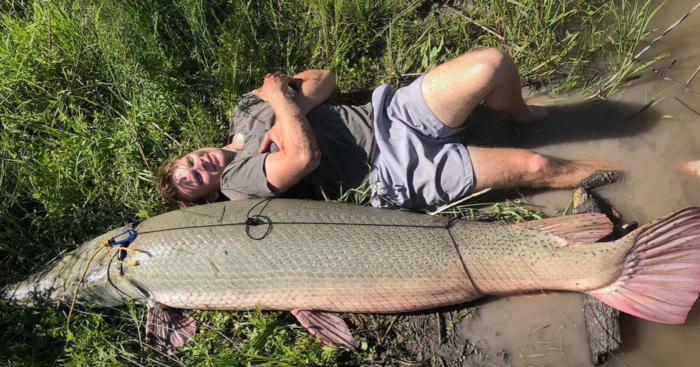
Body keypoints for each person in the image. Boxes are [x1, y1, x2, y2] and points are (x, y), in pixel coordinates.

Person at [157, 48, 618, 211]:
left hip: (391, 114)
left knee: (490, 65)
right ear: (209, 194)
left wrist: (283, 114)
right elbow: (303, 158)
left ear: (192, 150)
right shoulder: (240, 185)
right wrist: (280, 97)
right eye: (196, 181)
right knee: (538, 166)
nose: (199, 167)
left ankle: (524, 117)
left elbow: (325, 78)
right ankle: (633, 174)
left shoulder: (245, 111)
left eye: (189, 162)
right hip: (395, 170)